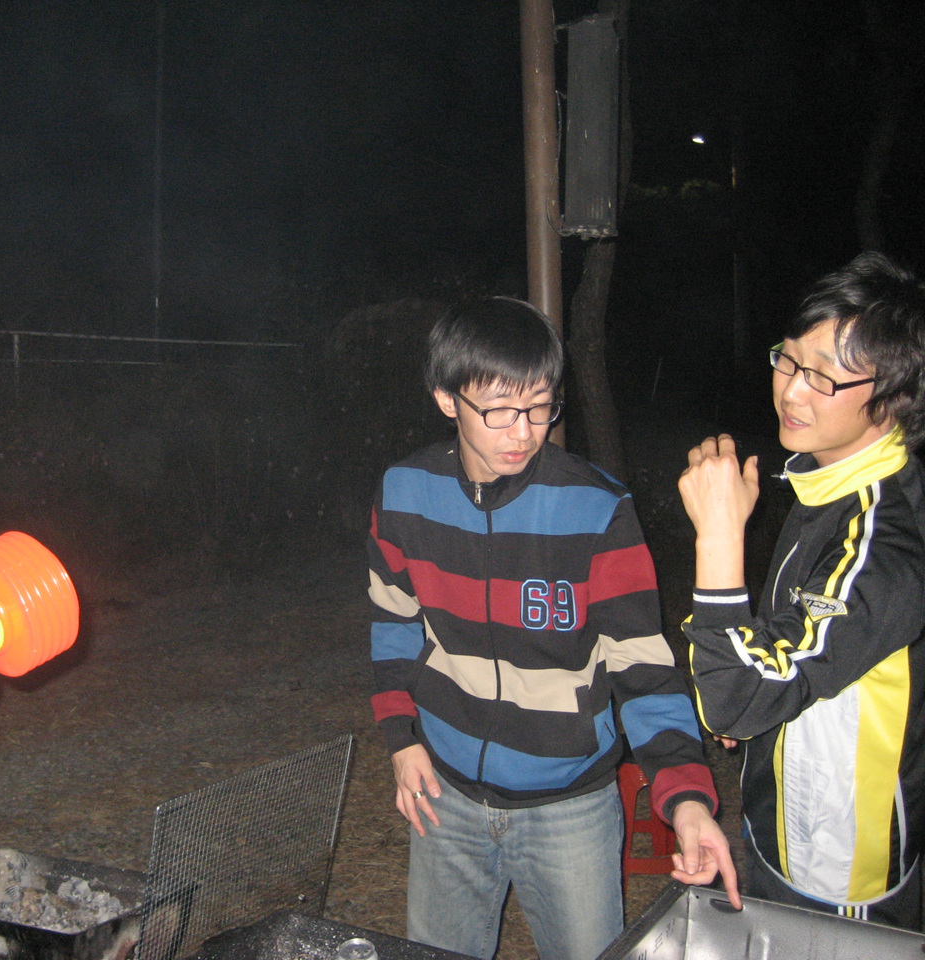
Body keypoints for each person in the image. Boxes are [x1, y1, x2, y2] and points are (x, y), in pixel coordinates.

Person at [368, 297, 738, 960]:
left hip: (571, 807)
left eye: (540, 407)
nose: (524, 432)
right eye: (500, 410)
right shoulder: (404, 493)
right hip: (446, 795)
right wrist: (401, 739)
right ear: (447, 400)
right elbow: (392, 621)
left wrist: (685, 796)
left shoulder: (596, 506)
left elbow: (643, 667)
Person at [679, 251, 925, 928]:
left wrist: (719, 537)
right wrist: (755, 702)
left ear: (893, 395)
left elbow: (733, 702)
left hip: (841, 864)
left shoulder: (884, 542)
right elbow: (789, 652)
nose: (792, 391)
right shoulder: (829, 482)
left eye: (824, 376)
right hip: (783, 818)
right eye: (788, 360)